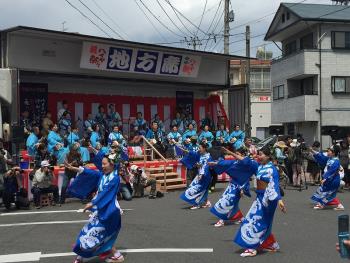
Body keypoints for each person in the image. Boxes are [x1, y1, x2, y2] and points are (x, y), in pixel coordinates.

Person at [65, 150, 124, 263]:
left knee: (97, 235)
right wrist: (74, 168)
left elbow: (105, 193)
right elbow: (90, 173)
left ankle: (80, 258)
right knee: (96, 234)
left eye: (104, 164)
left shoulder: (115, 178)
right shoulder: (102, 175)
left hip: (110, 212)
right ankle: (116, 255)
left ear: (112, 164)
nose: (102, 166)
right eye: (102, 164)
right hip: (101, 210)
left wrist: (93, 203)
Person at [234, 148, 286, 257]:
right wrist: (230, 153)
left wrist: (279, 200)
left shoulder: (272, 169)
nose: (259, 156)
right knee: (253, 220)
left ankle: (253, 248)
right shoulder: (260, 166)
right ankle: (271, 244)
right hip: (259, 197)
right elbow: (246, 161)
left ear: (267, 156)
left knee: (257, 221)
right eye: (258, 154)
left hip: (268, 199)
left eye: (261, 154)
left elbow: (275, 185)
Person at [208, 147, 258, 227]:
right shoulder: (236, 162)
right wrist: (215, 163)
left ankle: (222, 220)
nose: (236, 156)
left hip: (239, 186)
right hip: (232, 185)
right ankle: (240, 218)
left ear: (243, 155)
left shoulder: (249, 163)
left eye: (237, 154)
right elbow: (226, 163)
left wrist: (242, 189)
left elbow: (246, 177)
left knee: (227, 202)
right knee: (233, 203)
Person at [310, 145, 345, 211]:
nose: (327, 152)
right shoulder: (330, 159)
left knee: (325, 193)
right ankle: (339, 205)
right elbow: (321, 156)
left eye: (329, 151)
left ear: (333, 153)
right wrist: (312, 151)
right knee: (328, 193)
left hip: (333, 180)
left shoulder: (336, 162)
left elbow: (332, 172)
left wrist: (325, 179)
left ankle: (321, 204)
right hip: (331, 180)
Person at [179, 142, 212, 210]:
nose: (199, 149)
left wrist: (201, 174)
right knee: (200, 189)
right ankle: (207, 202)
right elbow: (193, 154)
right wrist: (186, 151)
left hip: (205, 175)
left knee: (198, 189)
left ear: (204, 148)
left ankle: (197, 204)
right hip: (200, 174)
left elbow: (206, 166)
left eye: (200, 148)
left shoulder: (208, 156)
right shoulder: (200, 155)